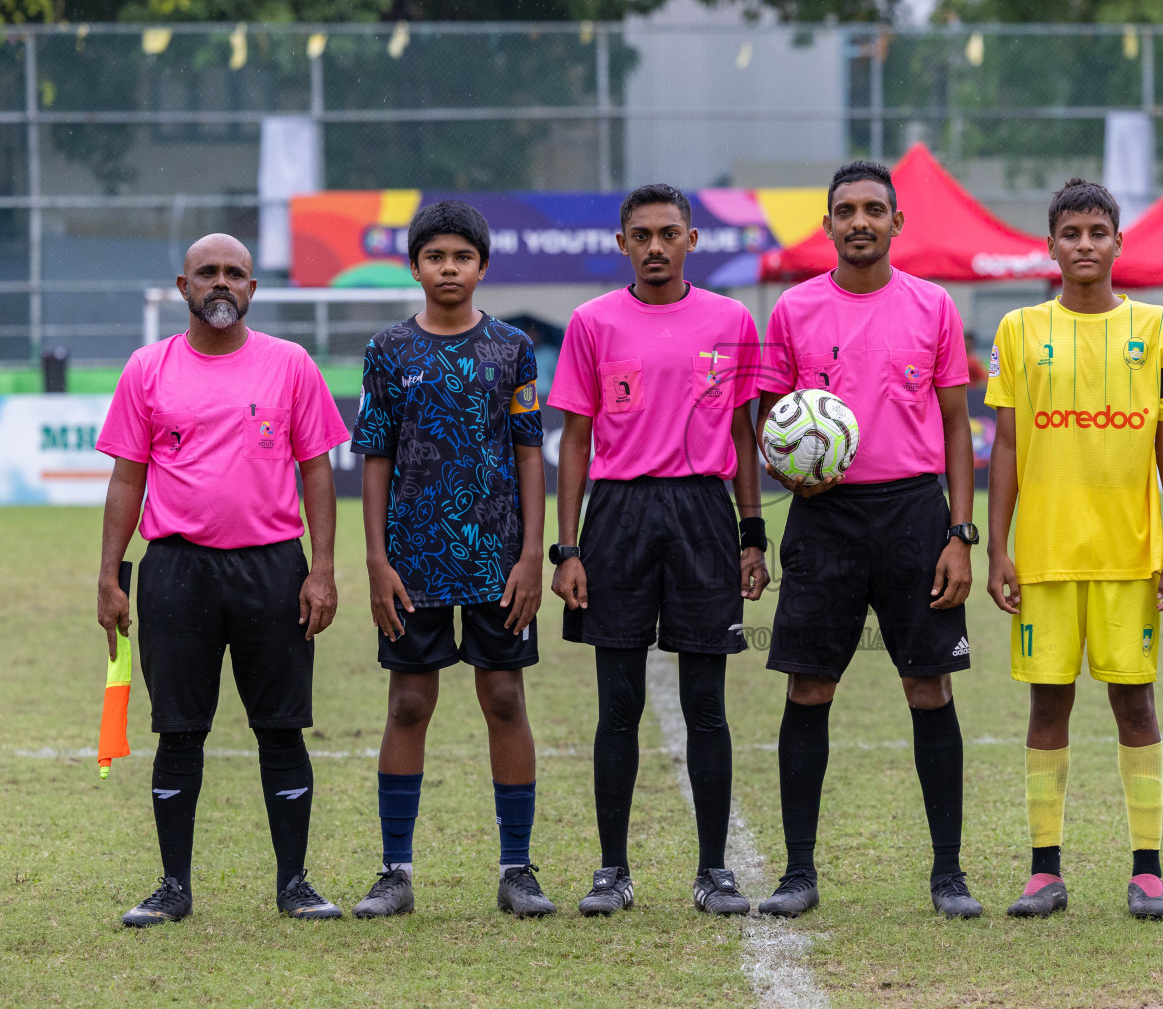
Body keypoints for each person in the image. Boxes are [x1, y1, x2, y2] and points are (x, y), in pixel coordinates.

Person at [96, 234, 351, 926]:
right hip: (177, 570)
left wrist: (321, 570)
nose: (221, 283)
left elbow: (317, 469)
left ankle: (294, 884)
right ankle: (173, 887)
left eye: (234, 273)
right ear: (182, 286)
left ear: (251, 290)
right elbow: (127, 475)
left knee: (281, 728)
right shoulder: (148, 368)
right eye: (207, 272)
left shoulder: (290, 364)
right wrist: (111, 577)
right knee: (179, 731)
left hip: (272, 568)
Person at [755, 160, 982, 920]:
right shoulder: (790, 310)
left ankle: (948, 874)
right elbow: (764, 419)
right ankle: (798, 872)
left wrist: (960, 531)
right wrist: (785, 472)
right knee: (809, 684)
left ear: (896, 222)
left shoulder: (934, 304)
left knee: (929, 685)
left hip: (916, 515)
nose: (860, 222)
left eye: (873, 210)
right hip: (825, 518)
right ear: (827, 225)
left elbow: (957, 425)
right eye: (846, 210)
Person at [547, 184, 769, 917]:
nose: (654, 246)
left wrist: (751, 533)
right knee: (620, 704)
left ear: (691, 240)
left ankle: (714, 871)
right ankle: (612, 870)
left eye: (668, 233)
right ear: (621, 244)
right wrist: (568, 546)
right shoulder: (591, 322)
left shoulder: (732, 319)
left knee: (707, 703)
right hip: (618, 516)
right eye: (640, 235)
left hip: (703, 512)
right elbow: (575, 440)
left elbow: (743, 434)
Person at [984, 179, 1163, 921]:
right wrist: (997, 549)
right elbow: (1005, 441)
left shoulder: (1158, 327)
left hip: (1128, 555)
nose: (1084, 244)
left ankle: (1149, 869)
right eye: (1070, 232)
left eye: (1097, 231)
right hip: (1043, 555)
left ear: (1117, 243)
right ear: (1050, 245)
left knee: (1135, 702)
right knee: (1049, 705)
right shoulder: (1018, 330)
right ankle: (1045, 870)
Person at [347, 201, 554, 919]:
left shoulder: (513, 349)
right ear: (415, 267)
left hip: (497, 558)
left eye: (461, 258)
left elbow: (531, 453)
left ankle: (517, 868)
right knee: (409, 701)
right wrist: (375, 559)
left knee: (503, 697)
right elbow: (374, 458)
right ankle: (394, 872)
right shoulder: (388, 351)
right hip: (413, 558)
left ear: (482, 267)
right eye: (435, 257)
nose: (448, 268)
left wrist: (531, 553)